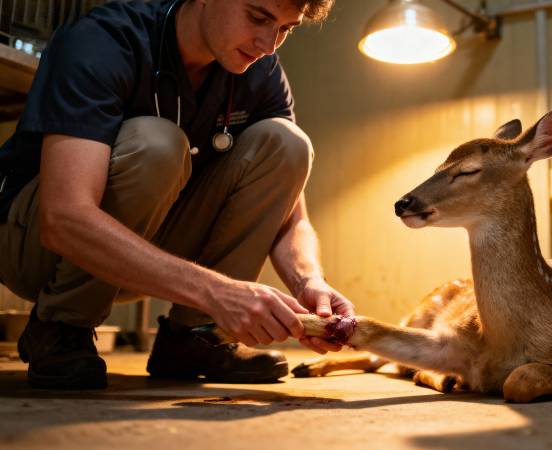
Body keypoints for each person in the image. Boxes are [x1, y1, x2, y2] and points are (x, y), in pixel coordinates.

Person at [0, 0, 355, 390]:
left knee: (286, 143)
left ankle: (197, 336)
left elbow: (293, 218)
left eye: (287, 29)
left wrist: (310, 284)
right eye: (258, 17)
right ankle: (61, 326)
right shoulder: (102, 41)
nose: (269, 44)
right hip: (33, 247)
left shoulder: (259, 69)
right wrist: (217, 291)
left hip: (141, 251)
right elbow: (63, 220)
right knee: (157, 144)